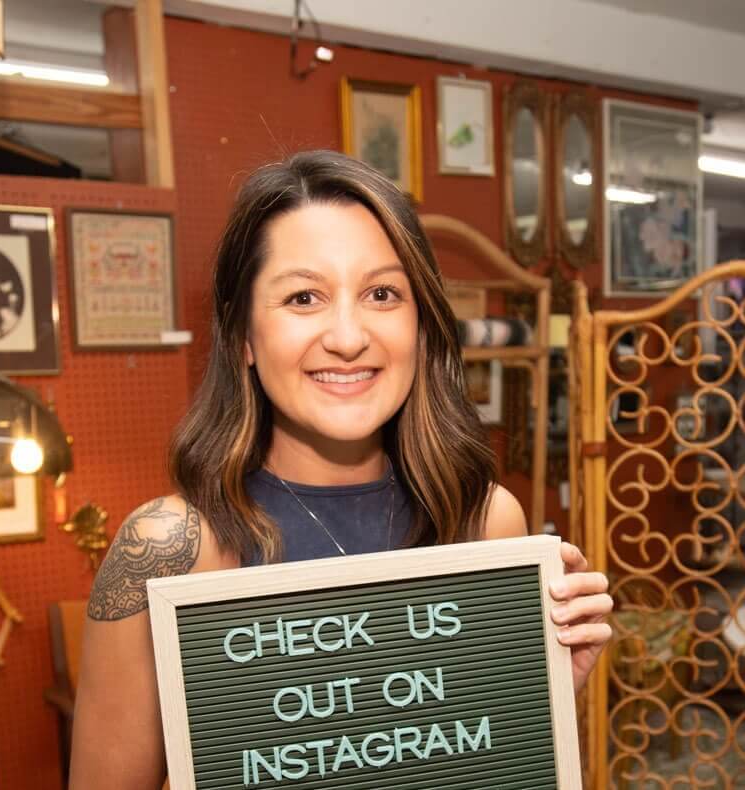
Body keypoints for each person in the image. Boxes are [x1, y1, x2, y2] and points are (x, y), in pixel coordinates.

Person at [68, 151, 612, 789]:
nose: (348, 336)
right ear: (243, 335)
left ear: (422, 324)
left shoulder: (487, 519)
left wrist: (544, 696)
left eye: (382, 293)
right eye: (304, 297)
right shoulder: (168, 548)